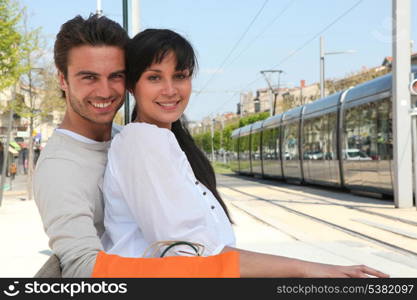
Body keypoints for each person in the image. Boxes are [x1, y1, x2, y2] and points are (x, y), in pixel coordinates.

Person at [102, 28, 389, 278]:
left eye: (180, 76)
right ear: (131, 85)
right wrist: (307, 269)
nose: (170, 90)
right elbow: (193, 253)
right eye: (154, 78)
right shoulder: (142, 140)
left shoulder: (165, 140)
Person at [34, 14, 239, 278]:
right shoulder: (59, 167)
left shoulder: (131, 137)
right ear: (62, 79)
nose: (105, 91)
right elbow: (82, 268)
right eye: (89, 77)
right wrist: (192, 269)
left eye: (115, 76)